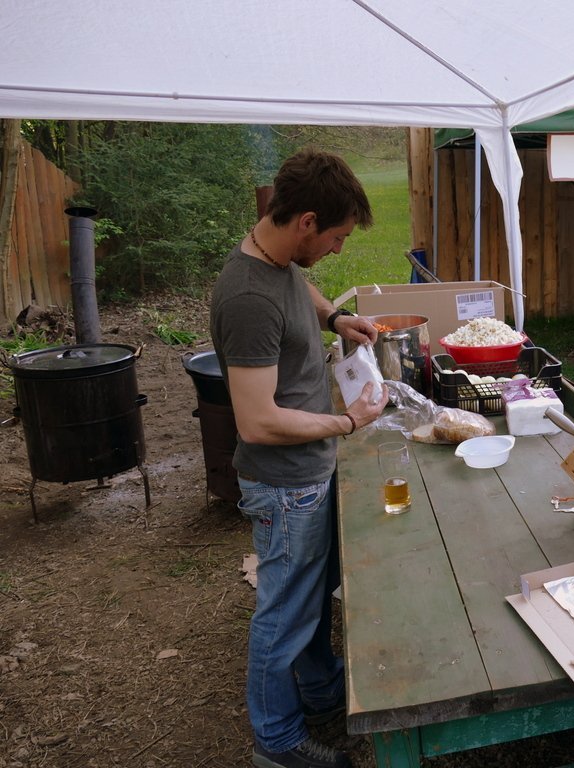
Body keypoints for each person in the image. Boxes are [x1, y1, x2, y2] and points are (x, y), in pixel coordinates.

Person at [211, 149, 388, 768]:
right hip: (284, 487)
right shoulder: (247, 300)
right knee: (283, 615)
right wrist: (348, 421)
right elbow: (257, 420)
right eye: (337, 237)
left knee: (311, 598)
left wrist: (335, 317)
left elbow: (295, 285)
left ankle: (320, 691)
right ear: (307, 221)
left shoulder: (276, 257)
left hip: (308, 473)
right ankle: (278, 742)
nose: (338, 249)